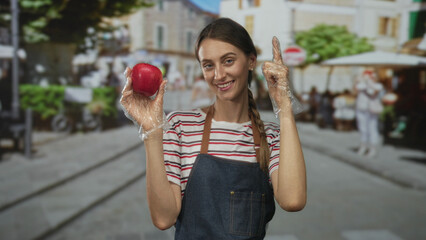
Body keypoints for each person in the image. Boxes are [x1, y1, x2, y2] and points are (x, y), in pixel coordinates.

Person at [120, 18, 306, 239]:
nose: (218, 75)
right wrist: (152, 133)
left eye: (228, 61)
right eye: (208, 65)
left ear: (251, 61)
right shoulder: (180, 126)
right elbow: (163, 218)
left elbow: (293, 200)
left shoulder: (272, 137)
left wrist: (284, 106)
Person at [354, 70, 384, 158]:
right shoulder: (361, 85)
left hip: (371, 110)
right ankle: (363, 146)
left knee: (372, 128)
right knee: (362, 128)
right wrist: (358, 80)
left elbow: (373, 92)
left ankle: (372, 148)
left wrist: (368, 81)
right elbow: (355, 90)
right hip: (361, 108)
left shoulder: (378, 85)